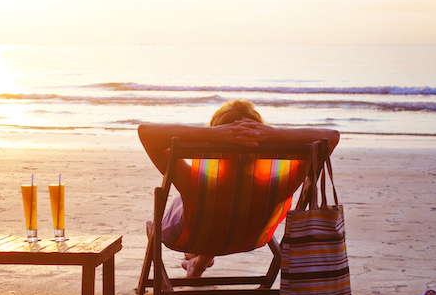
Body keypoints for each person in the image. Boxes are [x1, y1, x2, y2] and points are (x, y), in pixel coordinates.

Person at [138, 99, 339, 277]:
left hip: (189, 239)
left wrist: (213, 133)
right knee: (225, 213)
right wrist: (276, 135)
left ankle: (195, 259)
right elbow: (331, 137)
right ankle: (196, 265)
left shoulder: (195, 182)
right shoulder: (279, 184)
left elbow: (145, 132)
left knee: (195, 208)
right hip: (250, 239)